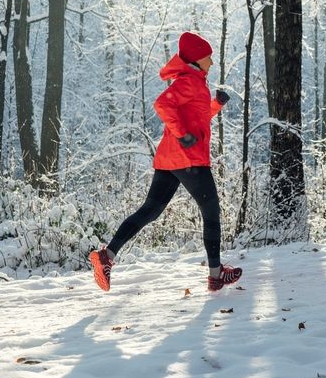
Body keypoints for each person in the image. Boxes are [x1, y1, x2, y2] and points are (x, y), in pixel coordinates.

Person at [89, 31, 243, 292]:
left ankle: (108, 256)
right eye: (209, 57)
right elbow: (163, 104)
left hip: (170, 159)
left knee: (150, 210)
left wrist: (215, 105)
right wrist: (183, 135)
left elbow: (195, 116)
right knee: (212, 213)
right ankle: (216, 275)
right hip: (189, 159)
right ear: (197, 59)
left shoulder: (193, 81)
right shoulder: (190, 82)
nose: (212, 63)